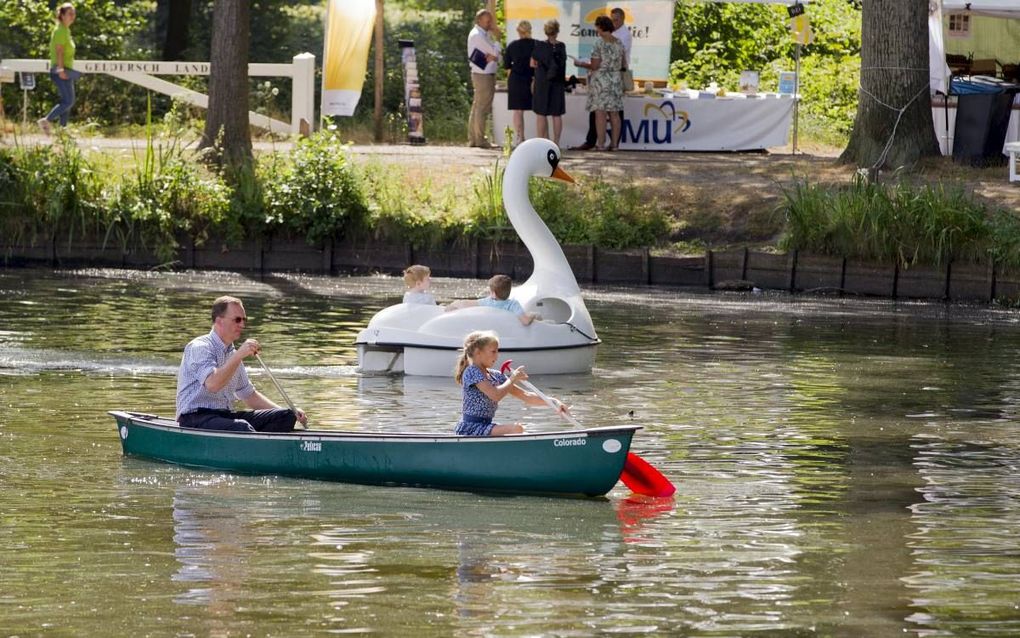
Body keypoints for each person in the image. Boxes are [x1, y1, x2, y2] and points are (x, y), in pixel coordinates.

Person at [176, 296, 308, 432]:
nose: (242, 325)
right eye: (237, 320)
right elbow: (212, 384)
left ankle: (266, 446)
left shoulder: (233, 354)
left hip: (224, 416)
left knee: (286, 416)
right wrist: (239, 355)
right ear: (219, 321)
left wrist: (291, 412)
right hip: (194, 418)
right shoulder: (200, 347)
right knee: (241, 427)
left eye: (244, 320)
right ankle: (255, 446)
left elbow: (249, 395)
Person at [454, 330, 567, 436]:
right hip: (471, 428)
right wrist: (512, 379)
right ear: (478, 352)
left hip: (486, 425)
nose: (497, 356)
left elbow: (526, 396)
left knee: (518, 428)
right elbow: (495, 395)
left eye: (497, 351)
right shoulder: (472, 371)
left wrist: (555, 402)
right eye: (493, 351)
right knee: (516, 429)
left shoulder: (496, 375)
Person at [569, 8, 632, 151]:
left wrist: (580, 63)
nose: (596, 30)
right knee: (615, 114)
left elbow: (595, 65)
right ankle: (615, 145)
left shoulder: (599, 43)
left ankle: (601, 144)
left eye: (597, 27)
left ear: (601, 27)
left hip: (601, 82)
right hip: (616, 80)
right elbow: (624, 64)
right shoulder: (619, 43)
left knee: (600, 113)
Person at [38, 3, 82, 134]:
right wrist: (61, 69)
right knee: (68, 101)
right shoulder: (60, 31)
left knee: (68, 101)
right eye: (69, 13)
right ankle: (46, 120)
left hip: (66, 70)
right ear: (62, 15)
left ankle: (62, 130)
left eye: (74, 13)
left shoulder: (66, 30)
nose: (72, 16)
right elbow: (59, 51)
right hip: (60, 70)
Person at [467, 9, 501, 149]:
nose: (490, 24)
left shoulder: (483, 34)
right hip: (483, 75)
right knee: (482, 107)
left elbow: (496, 56)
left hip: (484, 73)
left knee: (477, 106)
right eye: (487, 21)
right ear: (479, 21)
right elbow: (494, 52)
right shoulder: (477, 35)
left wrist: (495, 54)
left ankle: (475, 139)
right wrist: (498, 39)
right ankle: (480, 140)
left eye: (490, 20)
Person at [445, 274, 540, 325]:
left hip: (492, 327)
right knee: (537, 315)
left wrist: (453, 305)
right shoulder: (513, 305)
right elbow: (525, 321)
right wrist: (532, 315)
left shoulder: (488, 302)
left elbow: (465, 303)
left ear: (493, 294)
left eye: (490, 291)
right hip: (508, 329)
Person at [531, 19, 567, 146]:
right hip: (557, 82)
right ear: (557, 32)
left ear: (546, 32)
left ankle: (542, 142)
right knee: (556, 114)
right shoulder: (561, 47)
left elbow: (532, 64)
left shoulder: (539, 46)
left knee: (541, 113)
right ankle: (556, 142)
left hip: (542, 82)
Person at [503, 21, 536, 148]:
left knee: (518, 111)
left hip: (516, 79)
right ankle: (543, 138)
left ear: (518, 31)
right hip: (531, 79)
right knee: (540, 111)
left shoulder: (512, 46)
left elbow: (506, 65)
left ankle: (520, 137)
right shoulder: (536, 45)